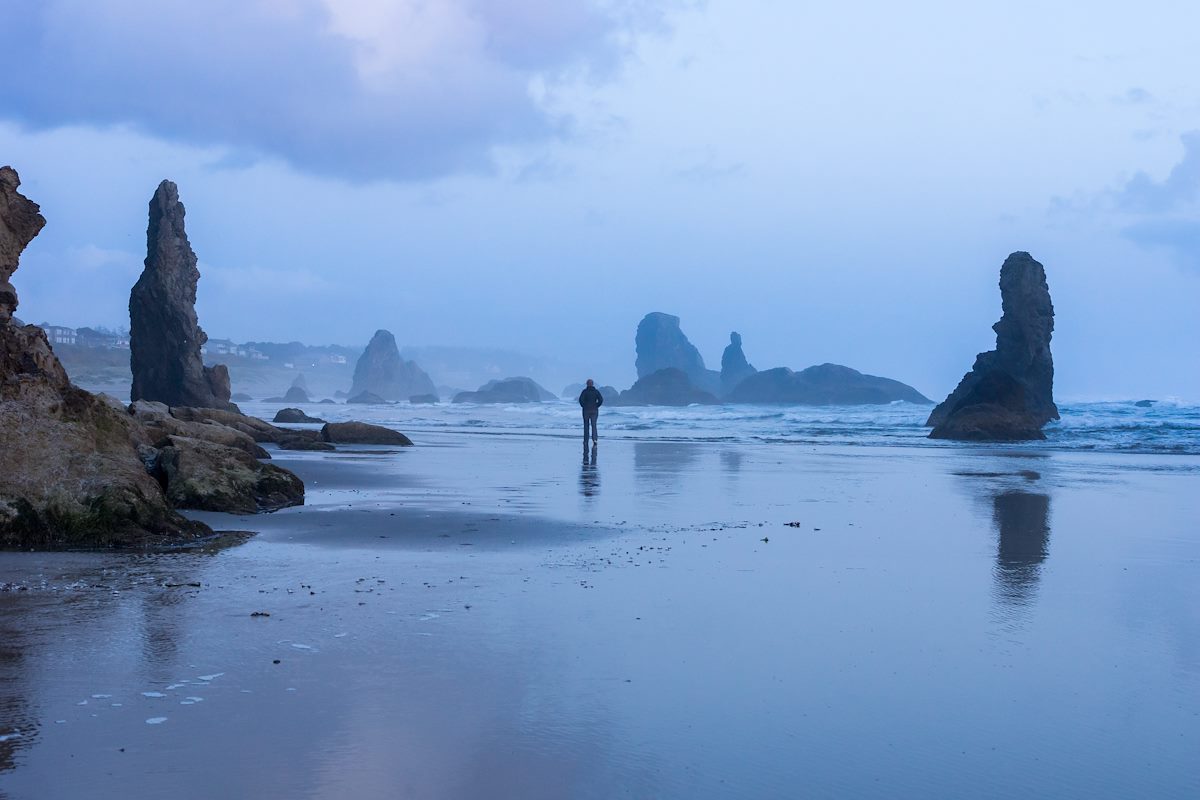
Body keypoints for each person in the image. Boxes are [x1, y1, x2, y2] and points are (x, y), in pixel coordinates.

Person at [578, 379, 603, 444]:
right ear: (593, 384)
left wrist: (584, 406)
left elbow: (581, 400)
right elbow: (601, 400)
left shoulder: (584, 392)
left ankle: (586, 440)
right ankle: (595, 439)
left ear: (587, 384)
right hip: (594, 410)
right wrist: (596, 405)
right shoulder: (596, 391)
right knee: (594, 425)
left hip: (586, 410)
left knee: (586, 425)